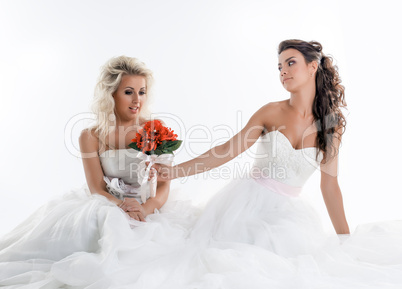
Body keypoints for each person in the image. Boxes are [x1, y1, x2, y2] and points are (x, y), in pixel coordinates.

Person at [149, 40, 402, 288]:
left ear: (313, 67)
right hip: (244, 206)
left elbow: (330, 186)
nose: (283, 71)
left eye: (290, 63)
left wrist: (345, 241)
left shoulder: (331, 124)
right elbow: (226, 151)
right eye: (279, 66)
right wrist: (174, 172)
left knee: (290, 264)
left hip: (290, 215)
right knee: (239, 262)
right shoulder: (270, 112)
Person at [0, 56, 194, 288]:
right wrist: (121, 206)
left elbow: (164, 185)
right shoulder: (90, 136)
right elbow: (96, 187)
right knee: (102, 232)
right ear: (111, 94)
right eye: (129, 92)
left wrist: (144, 209)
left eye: (142, 92)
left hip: (150, 204)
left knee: (159, 256)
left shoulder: (154, 129)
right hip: (108, 201)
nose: (137, 100)